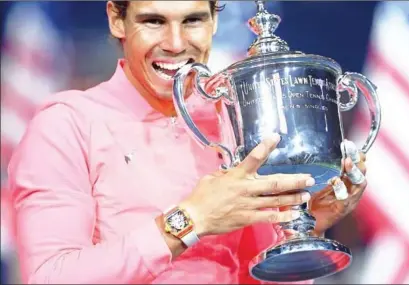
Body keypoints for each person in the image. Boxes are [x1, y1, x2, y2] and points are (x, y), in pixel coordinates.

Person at [8, 1, 368, 284]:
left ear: (214, 21)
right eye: (153, 21)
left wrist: (309, 225)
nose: (176, 44)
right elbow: (50, 276)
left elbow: (259, 278)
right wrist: (190, 220)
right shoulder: (66, 123)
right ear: (117, 20)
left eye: (193, 20)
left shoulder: (232, 126)